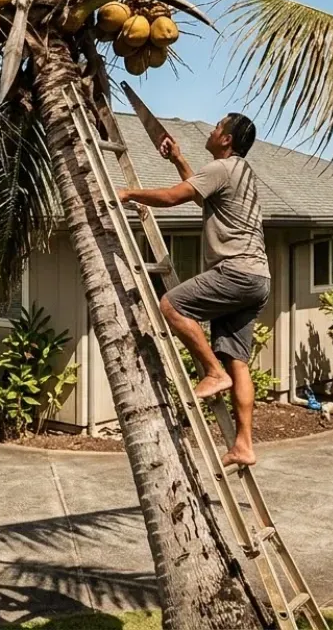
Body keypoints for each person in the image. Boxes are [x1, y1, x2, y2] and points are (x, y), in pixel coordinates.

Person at [118, 114, 270, 468]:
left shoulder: (221, 169)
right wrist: (178, 160)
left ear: (227, 140)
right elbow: (202, 197)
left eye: (218, 127)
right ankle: (244, 444)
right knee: (239, 362)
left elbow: (174, 198)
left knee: (170, 305)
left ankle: (212, 372)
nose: (212, 130)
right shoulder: (241, 173)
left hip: (234, 272)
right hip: (258, 279)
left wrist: (126, 193)